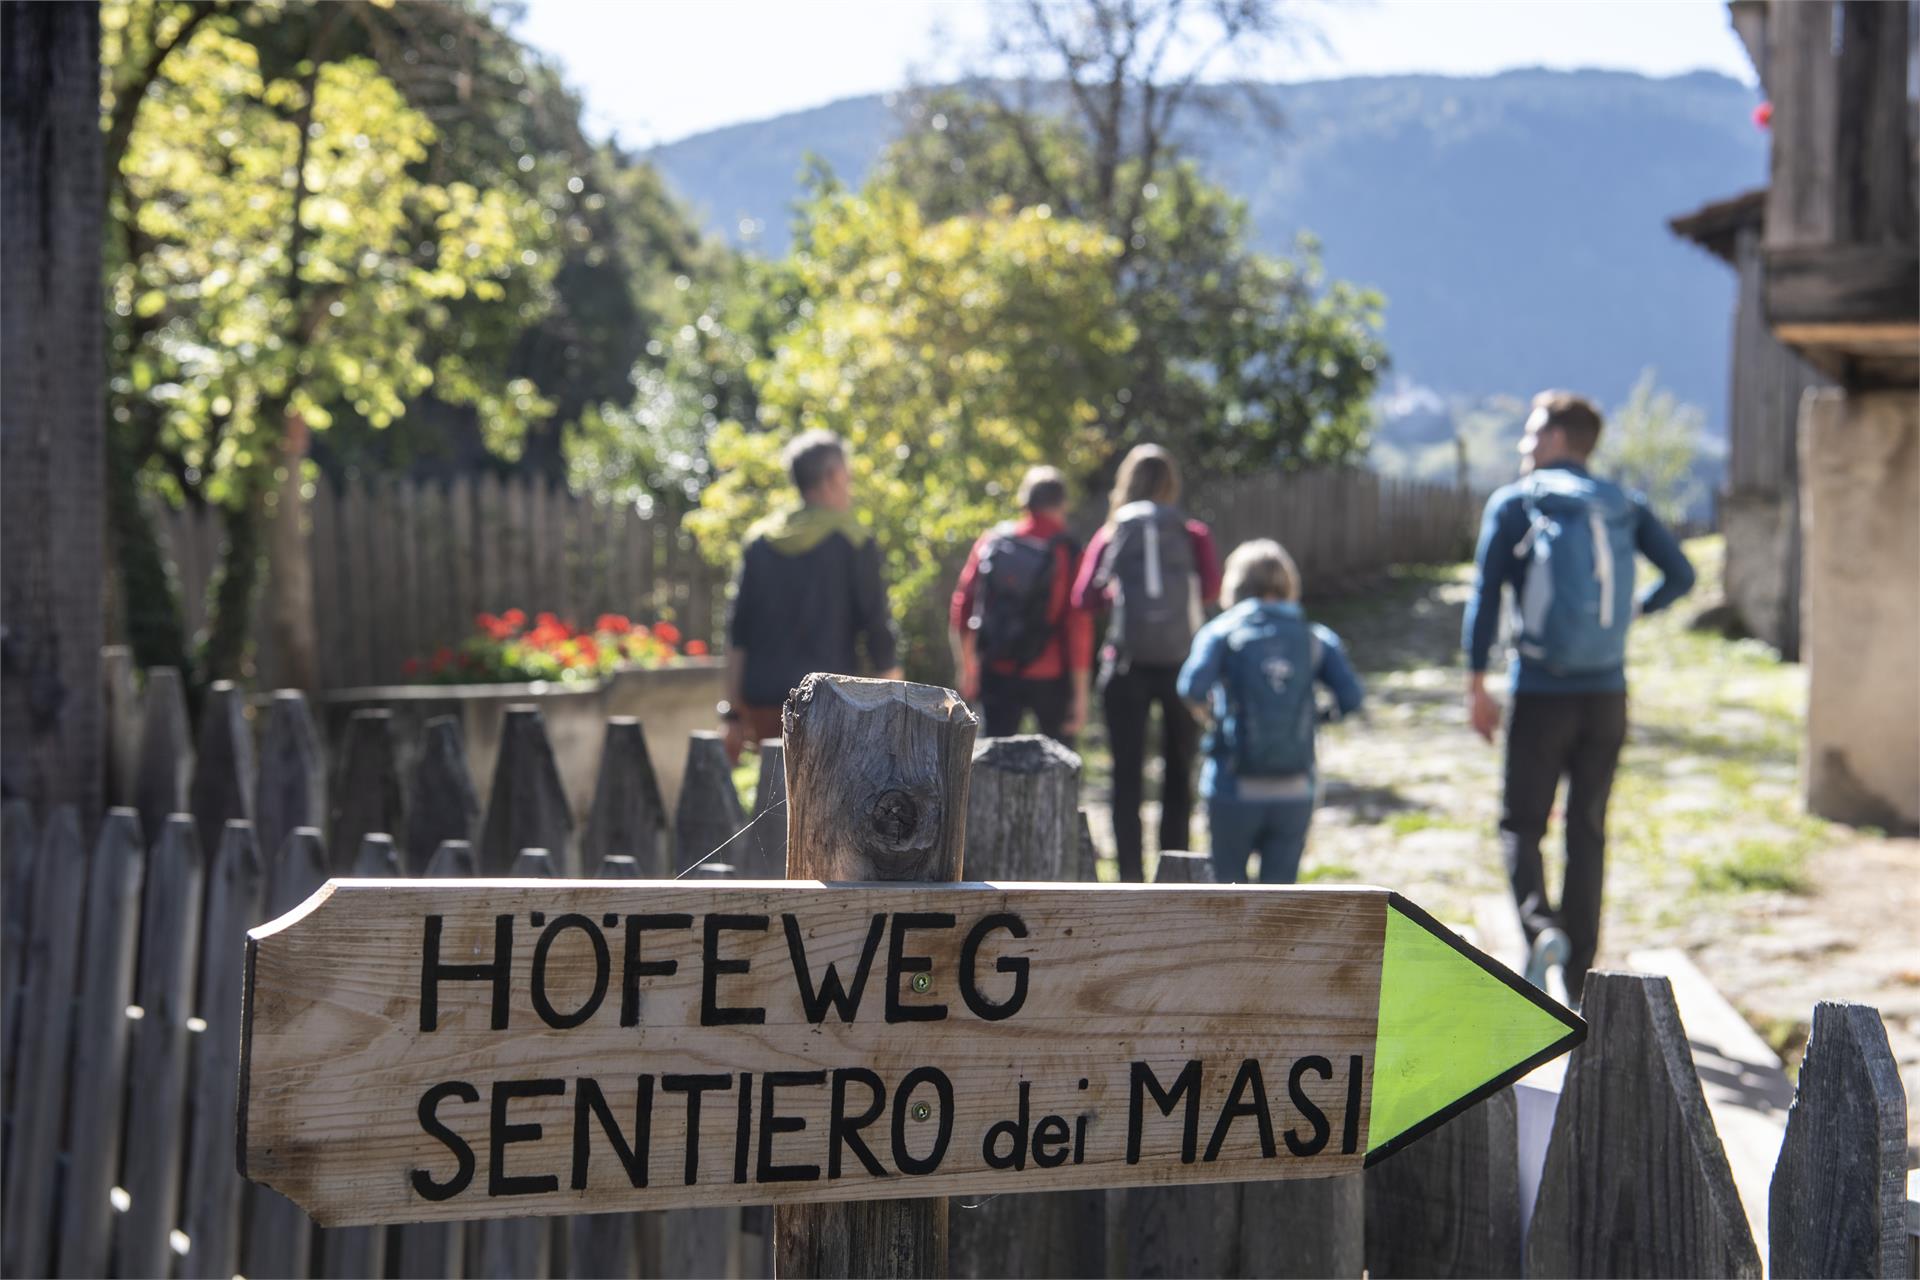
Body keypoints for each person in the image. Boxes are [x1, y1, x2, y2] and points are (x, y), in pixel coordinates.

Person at [1464, 390, 1696, 1001]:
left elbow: (1485, 597)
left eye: (1533, 432)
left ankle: (1541, 928)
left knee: (1520, 821)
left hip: (1541, 692)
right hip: (1606, 695)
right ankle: (1579, 972)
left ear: (1559, 438)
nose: (1525, 444)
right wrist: (1632, 613)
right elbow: (1683, 575)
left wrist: (1475, 684)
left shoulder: (1517, 503)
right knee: (1587, 827)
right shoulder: (1623, 504)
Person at [1072, 444, 1221, 882]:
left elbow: (1084, 597)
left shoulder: (1113, 532)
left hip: (1126, 664)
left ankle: (1130, 876)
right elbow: (1211, 588)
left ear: (1126, 483)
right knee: (1179, 772)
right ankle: (1174, 874)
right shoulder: (1192, 533)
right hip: (1181, 664)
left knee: (1126, 776)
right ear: (1170, 484)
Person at [1178, 540, 1364, 884]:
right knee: (1279, 904)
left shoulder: (1221, 632)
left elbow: (1191, 687)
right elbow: (1351, 698)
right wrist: (1319, 717)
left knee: (1227, 898)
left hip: (1231, 786)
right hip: (1295, 788)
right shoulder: (1315, 638)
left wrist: (1210, 715)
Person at [720, 430, 902, 763]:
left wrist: (732, 712)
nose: (850, 484)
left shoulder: (760, 541)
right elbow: (878, 630)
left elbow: (738, 632)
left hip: (763, 701)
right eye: (848, 475)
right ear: (833, 477)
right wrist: (894, 710)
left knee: (773, 799)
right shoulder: (854, 541)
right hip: (830, 702)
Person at [949, 466, 1094, 743]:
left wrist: (967, 667)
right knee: (1059, 767)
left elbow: (962, 607)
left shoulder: (992, 542)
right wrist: (1081, 695)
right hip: (1050, 674)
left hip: (998, 668)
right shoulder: (1068, 551)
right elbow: (1078, 626)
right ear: (1062, 503)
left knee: (992, 761)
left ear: (1024, 500)